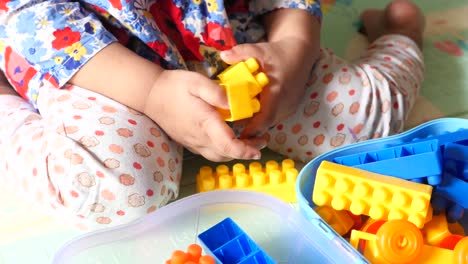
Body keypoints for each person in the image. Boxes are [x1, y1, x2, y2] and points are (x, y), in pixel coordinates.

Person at [0, 0, 425, 229]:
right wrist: (151, 92)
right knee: (112, 188)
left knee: (366, 125)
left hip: (231, 41)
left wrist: (293, 46)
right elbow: (35, 17)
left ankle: (401, 36)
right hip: (100, 64)